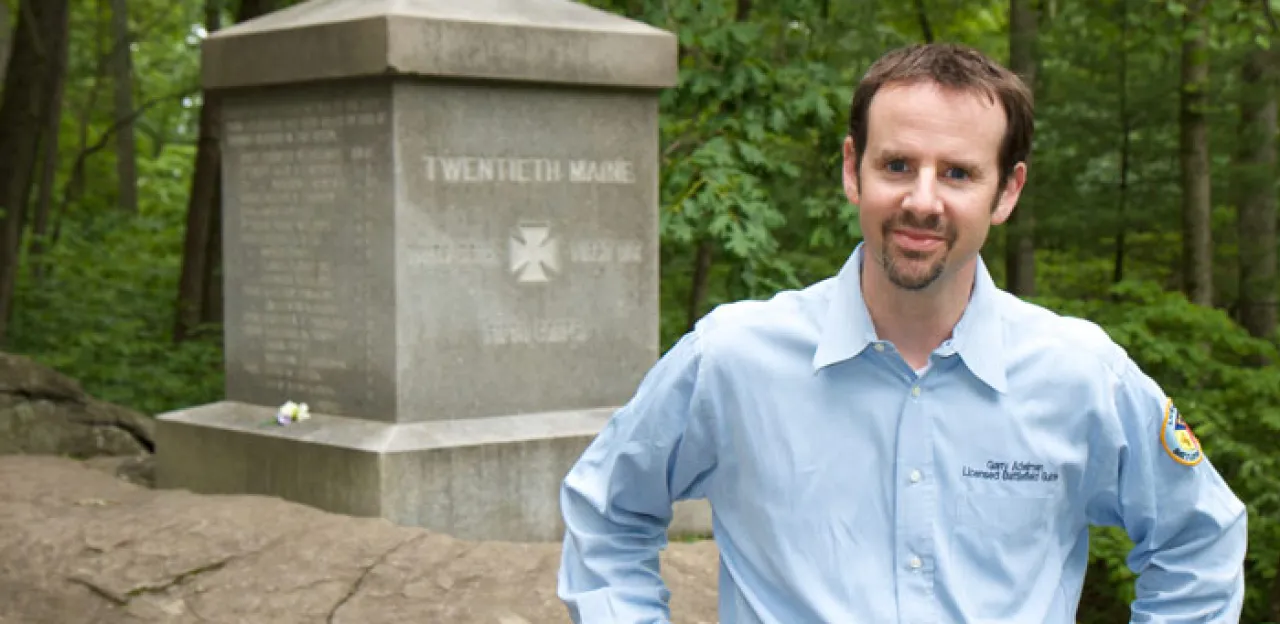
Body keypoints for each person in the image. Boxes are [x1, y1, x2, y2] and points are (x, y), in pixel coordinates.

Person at [556, 42, 1247, 623]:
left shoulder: (1081, 374)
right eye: (897, 166)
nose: (922, 200)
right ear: (853, 169)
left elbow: (1199, 540)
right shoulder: (733, 360)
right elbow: (608, 513)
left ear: (1006, 191)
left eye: (957, 173)